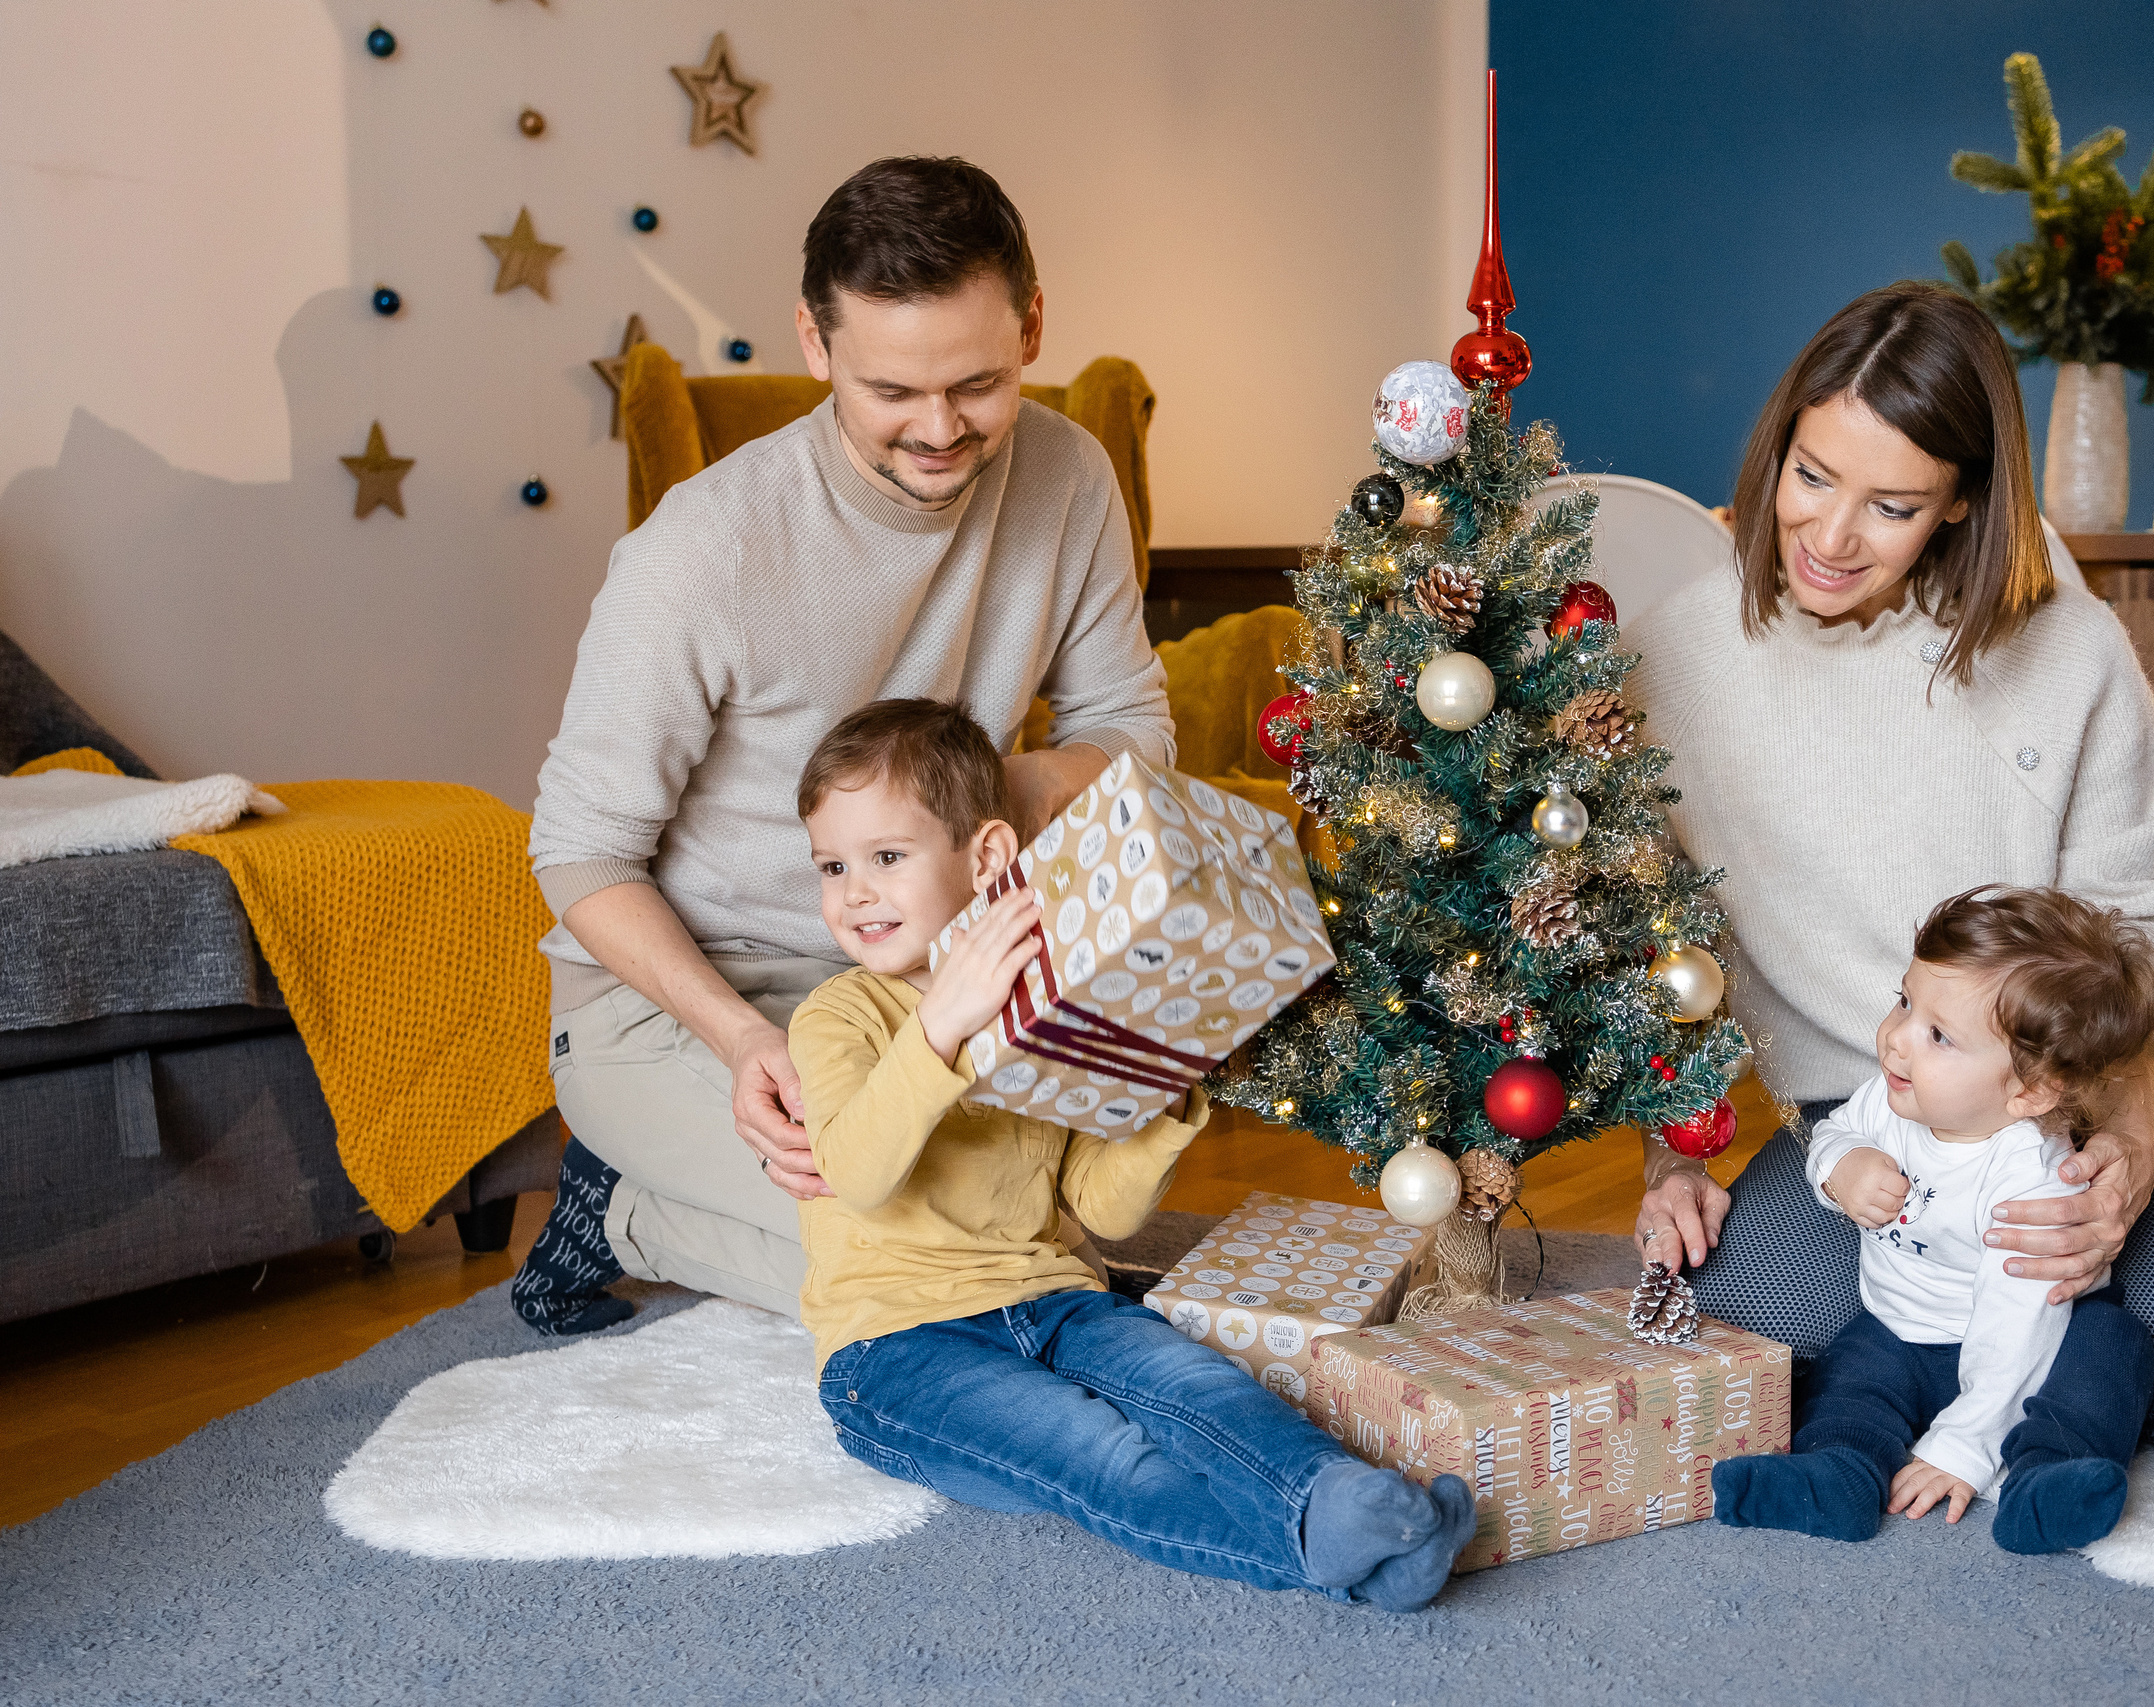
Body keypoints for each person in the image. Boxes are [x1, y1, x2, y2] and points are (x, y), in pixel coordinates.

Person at [1624, 280, 2154, 1466]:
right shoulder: (1680, 660)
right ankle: (2005, 1346)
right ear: (1776, 450)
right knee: (1744, 1340)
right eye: (1809, 476)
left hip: (2090, 1079)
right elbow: (1656, 948)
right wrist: (1667, 1153)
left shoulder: (2064, 641)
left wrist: (2132, 1132)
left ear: (1959, 506)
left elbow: (2137, 921)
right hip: (1873, 1112)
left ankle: (2045, 1345)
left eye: (1891, 505)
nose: (1830, 537)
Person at [511, 157, 1173, 1335]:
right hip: (691, 998)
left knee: (1042, 1231)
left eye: (978, 383)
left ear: (1031, 325)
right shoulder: (699, 552)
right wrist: (740, 1043)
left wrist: (966, 813)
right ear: (814, 344)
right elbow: (578, 854)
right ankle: (621, 1210)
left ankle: (676, 1199)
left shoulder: (1070, 476)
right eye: (891, 392)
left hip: (934, 976)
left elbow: (1129, 732)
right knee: (916, 1255)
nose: (939, 430)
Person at [786, 699, 1475, 1608]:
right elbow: (858, 1173)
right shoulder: (836, 1016)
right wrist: (942, 1025)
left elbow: (1102, 1210)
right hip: (895, 1347)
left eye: (885, 857)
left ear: (986, 858)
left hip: (1055, 1298)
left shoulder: (1046, 1007)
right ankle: (1352, 1555)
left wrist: (1172, 1088)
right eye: (833, 866)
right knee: (1101, 1455)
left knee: (1194, 1387)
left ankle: (1337, 1497)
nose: (855, 891)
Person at [1710, 886, 2154, 1554]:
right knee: (1845, 1378)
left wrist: (1966, 1446)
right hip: (1902, 1326)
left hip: (2036, 1336)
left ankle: (2049, 1477)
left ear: (2029, 1091)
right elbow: (1836, 1132)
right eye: (1904, 1000)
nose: (1895, 1039)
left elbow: (2016, 1334)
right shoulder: (1893, 1095)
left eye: (1938, 1034)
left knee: (2110, 1355)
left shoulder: (2029, 1176)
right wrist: (1843, 1168)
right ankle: (1838, 1472)